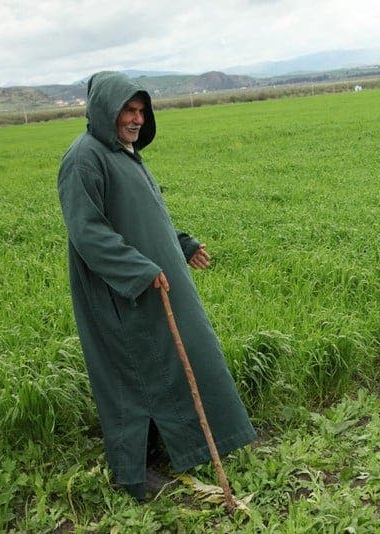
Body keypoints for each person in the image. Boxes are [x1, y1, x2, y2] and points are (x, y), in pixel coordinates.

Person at [58, 71, 256, 501]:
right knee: (131, 374)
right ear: (104, 110)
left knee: (172, 360)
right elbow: (88, 231)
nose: (135, 119)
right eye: (127, 110)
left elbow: (148, 217)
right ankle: (134, 472)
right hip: (119, 294)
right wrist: (136, 269)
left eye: (141, 111)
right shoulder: (83, 158)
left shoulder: (125, 154)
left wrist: (181, 245)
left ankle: (180, 445)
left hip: (156, 281)